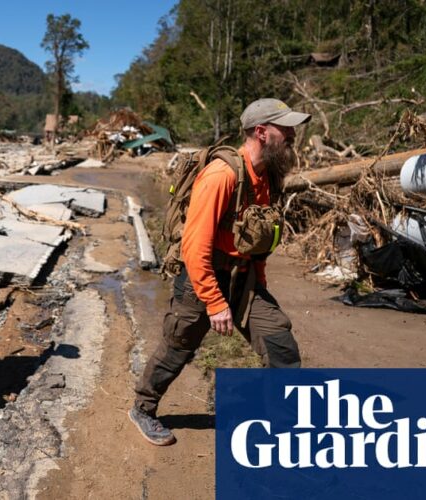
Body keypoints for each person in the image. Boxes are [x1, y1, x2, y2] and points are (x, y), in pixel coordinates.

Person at [129, 98, 310, 446]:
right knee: (179, 344)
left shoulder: (269, 175)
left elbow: (258, 235)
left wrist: (260, 281)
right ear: (261, 132)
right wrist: (214, 302)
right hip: (203, 275)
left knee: (280, 342)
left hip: (244, 277)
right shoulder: (221, 175)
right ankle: (143, 408)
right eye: (285, 129)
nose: (292, 135)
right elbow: (194, 247)